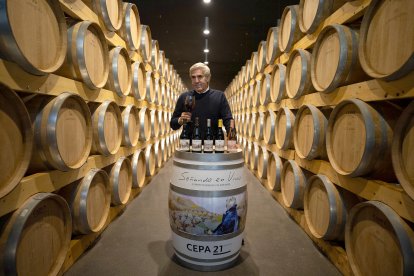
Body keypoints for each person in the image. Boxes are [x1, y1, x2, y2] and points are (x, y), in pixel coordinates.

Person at [170, 62, 233, 137]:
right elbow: (173, 124)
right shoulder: (184, 97)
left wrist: (232, 138)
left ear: (208, 78)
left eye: (200, 77)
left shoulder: (219, 96)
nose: (196, 81)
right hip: (189, 144)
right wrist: (180, 120)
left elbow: (228, 120)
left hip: (213, 144)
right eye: (193, 77)